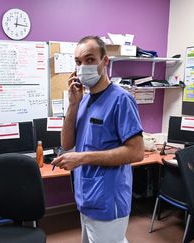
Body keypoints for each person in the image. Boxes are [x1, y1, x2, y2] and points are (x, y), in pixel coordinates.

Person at [51, 36, 145, 243]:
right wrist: (73, 105)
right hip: (86, 195)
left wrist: (82, 158)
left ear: (105, 61)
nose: (83, 66)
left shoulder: (121, 100)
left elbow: (137, 152)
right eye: (78, 62)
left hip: (108, 198)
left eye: (90, 59)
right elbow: (67, 144)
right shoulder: (83, 101)